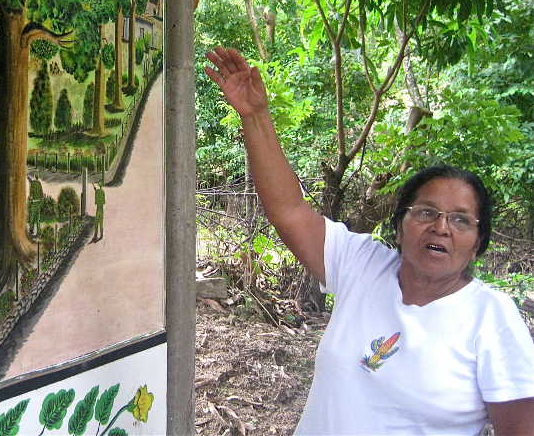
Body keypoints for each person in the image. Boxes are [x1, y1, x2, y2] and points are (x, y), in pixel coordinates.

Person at [204, 47, 534, 434]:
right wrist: (255, 115)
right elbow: (289, 210)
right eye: (426, 212)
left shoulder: (491, 318)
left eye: (460, 220)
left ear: (478, 242)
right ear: (399, 226)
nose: (441, 228)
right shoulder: (362, 263)